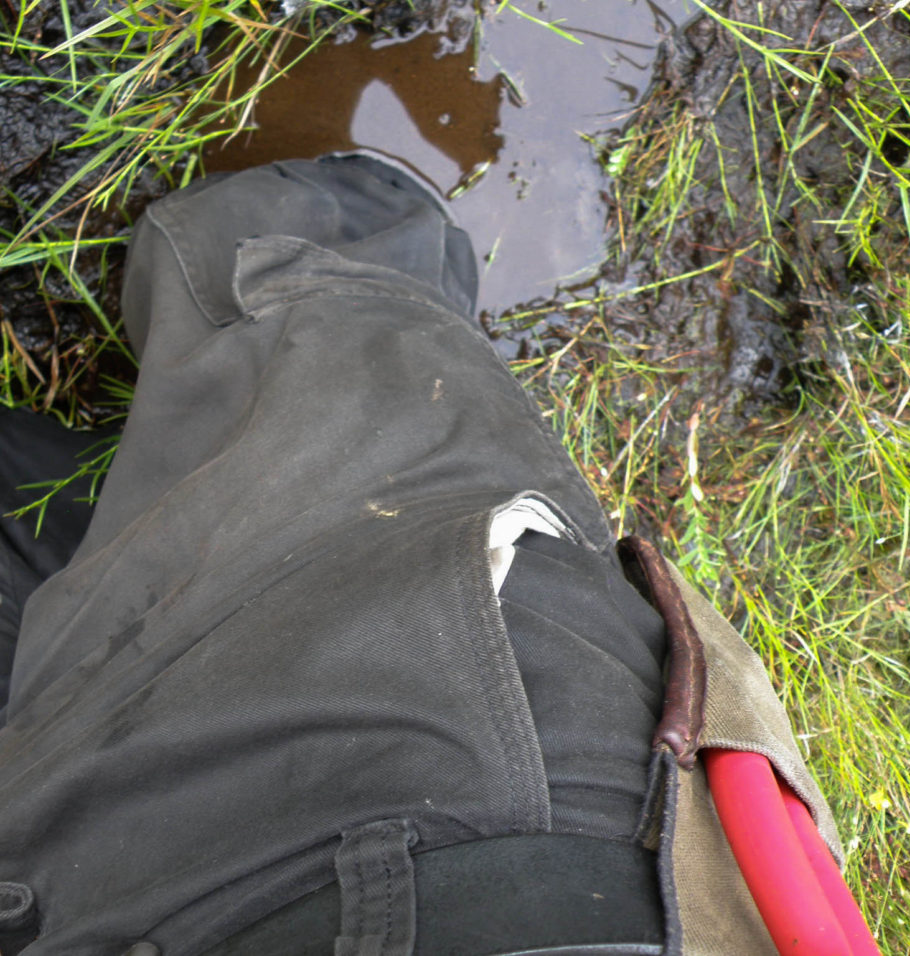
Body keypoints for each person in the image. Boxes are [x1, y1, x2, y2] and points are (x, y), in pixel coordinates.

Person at [0, 154, 843, 955]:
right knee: (112, 595)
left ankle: (302, 214)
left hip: (490, 861)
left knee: (341, 278)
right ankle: (151, 515)